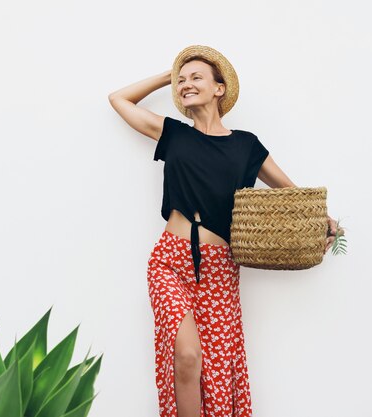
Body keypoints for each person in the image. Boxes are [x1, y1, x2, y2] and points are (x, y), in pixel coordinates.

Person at [107, 45, 341, 417]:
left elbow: (291, 192)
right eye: (181, 80)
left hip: (219, 270)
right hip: (170, 261)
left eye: (195, 77)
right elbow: (118, 99)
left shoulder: (246, 145)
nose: (186, 83)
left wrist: (322, 219)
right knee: (186, 355)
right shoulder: (174, 135)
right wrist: (169, 76)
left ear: (220, 88)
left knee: (215, 369)